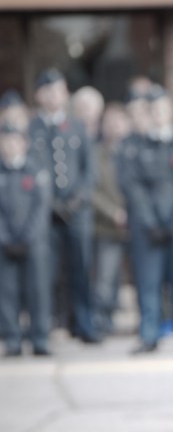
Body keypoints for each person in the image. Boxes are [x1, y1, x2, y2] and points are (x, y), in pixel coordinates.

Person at [122, 86, 173, 353]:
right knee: (148, 282)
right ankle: (149, 334)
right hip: (148, 228)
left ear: (170, 111)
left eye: (162, 108)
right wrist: (151, 222)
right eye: (152, 110)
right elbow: (134, 188)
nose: (157, 114)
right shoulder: (135, 148)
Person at [29, 67, 99, 343]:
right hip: (45, 214)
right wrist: (50, 203)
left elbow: (89, 170)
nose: (54, 96)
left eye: (58, 90)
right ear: (38, 95)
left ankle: (84, 324)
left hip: (76, 211)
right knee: (45, 273)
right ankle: (47, 326)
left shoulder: (77, 126)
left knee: (81, 269)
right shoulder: (32, 128)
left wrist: (76, 200)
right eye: (48, 90)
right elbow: (30, 171)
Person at [0, 121, 52, 356]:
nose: (9, 146)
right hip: (5, 244)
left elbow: (41, 208)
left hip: (34, 243)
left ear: (24, 143)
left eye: (14, 141)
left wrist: (28, 237)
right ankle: (13, 339)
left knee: (38, 291)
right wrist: (5, 237)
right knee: (6, 292)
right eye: (5, 141)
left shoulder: (35, 170)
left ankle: (40, 338)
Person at [91, 102, 131, 336]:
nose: (115, 126)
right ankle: (103, 321)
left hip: (136, 225)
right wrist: (113, 212)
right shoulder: (96, 154)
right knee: (105, 279)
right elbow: (92, 190)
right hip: (106, 226)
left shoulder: (135, 150)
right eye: (110, 121)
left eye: (119, 120)